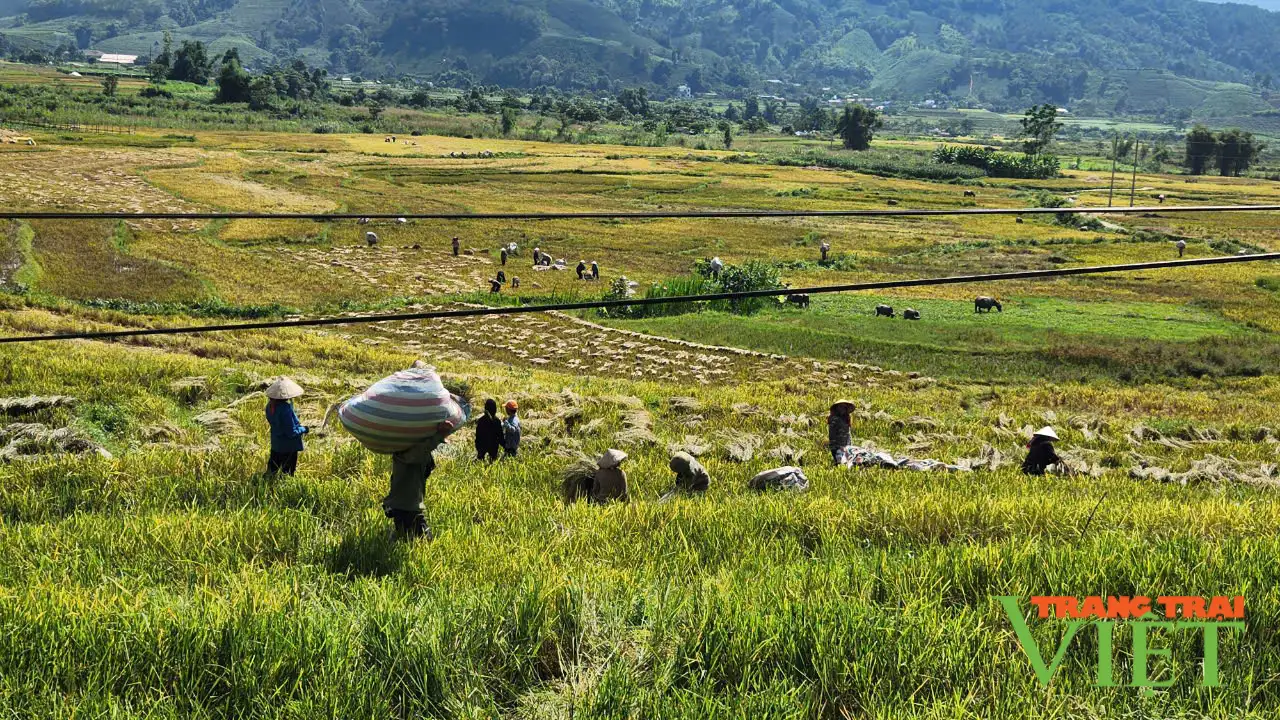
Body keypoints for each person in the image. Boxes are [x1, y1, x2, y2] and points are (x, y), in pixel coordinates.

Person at [384, 436, 442, 540]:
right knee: (424, 536)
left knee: (404, 533)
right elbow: (423, 448)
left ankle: (396, 539)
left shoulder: (404, 453)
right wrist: (441, 434)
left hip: (402, 504)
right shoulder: (406, 454)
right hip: (407, 506)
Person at [264, 377, 308, 476]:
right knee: (287, 474)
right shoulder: (285, 409)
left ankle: (264, 487)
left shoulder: (269, 406)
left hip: (276, 445)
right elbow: (291, 432)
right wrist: (304, 429)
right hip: (288, 447)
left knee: (272, 471)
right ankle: (283, 491)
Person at [827, 400, 854, 464]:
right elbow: (832, 433)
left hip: (846, 445)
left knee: (847, 462)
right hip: (837, 445)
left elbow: (848, 433)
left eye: (844, 407)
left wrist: (849, 445)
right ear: (837, 408)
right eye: (841, 407)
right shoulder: (834, 419)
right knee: (840, 462)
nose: (842, 409)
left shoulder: (846, 418)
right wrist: (836, 446)